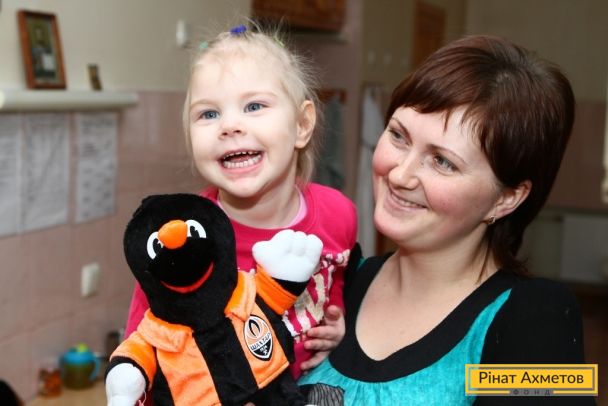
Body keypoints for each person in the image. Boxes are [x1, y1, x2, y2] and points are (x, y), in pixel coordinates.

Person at [299, 35, 595, 405]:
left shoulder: (534, 319)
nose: (400, 175)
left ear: (507, 198)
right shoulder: (338, 282)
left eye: (443, 161)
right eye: (399, 136)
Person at [124, 24, 357, 383]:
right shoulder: (176, 241)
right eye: (208, 114)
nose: (229, 125)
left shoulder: (338, 214)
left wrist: (338, 326)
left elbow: (335, 281)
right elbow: (138, 355)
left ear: (301, 125)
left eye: (254, 106)